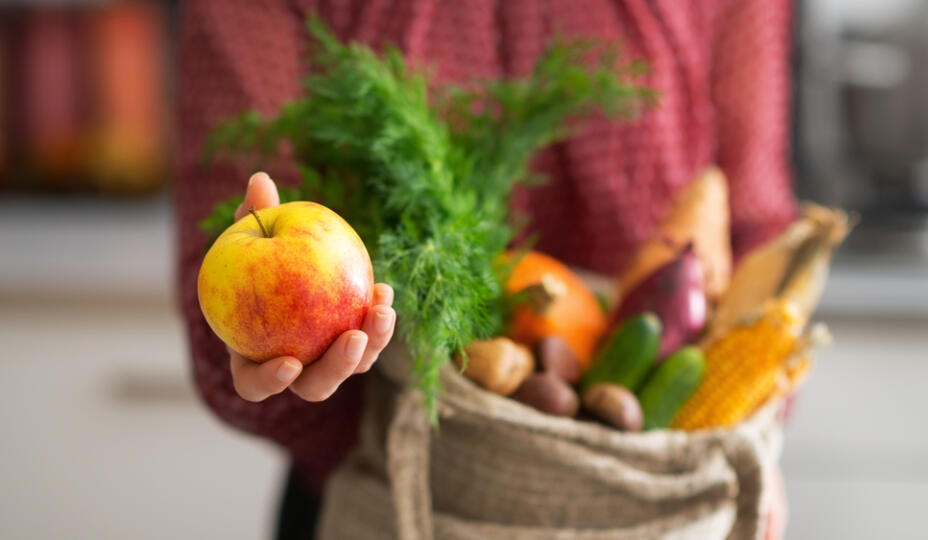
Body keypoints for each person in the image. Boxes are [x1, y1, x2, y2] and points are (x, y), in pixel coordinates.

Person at [175, 1, 796, 539]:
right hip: (391, 489)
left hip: (653, 497)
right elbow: (231, 230)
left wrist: (746, 446)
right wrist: (303, 365)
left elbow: (759, 227)